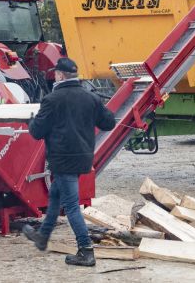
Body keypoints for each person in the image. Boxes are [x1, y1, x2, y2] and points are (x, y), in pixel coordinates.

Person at [22, 57, 116, 266]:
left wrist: (30, 121)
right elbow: (109, 122)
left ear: (61, 75)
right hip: (82, 157)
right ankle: (43, 237)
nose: (54, 76)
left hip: (62, 160)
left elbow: (37, 132)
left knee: (72, 207)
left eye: (56, 73)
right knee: (55, 196)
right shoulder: (89, 98)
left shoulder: (52, 99)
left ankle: (86, 250)